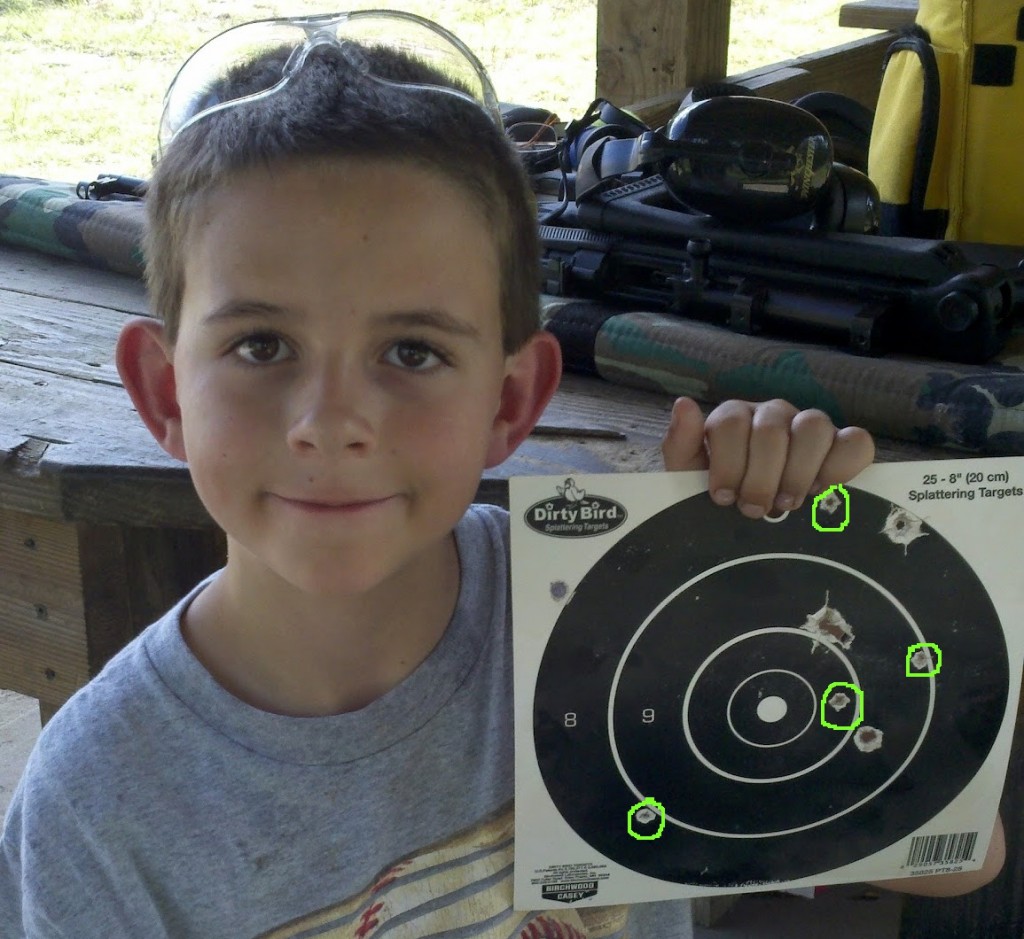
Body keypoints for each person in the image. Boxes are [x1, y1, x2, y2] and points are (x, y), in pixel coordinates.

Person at [0, 12, 1003, 937]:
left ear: (512, 402)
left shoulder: (616, 616)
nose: (332, 423)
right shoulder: (99, 800)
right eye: (262, 346)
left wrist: (767, 573)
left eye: (413, 352)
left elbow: (958, 859)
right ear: (165, 392)